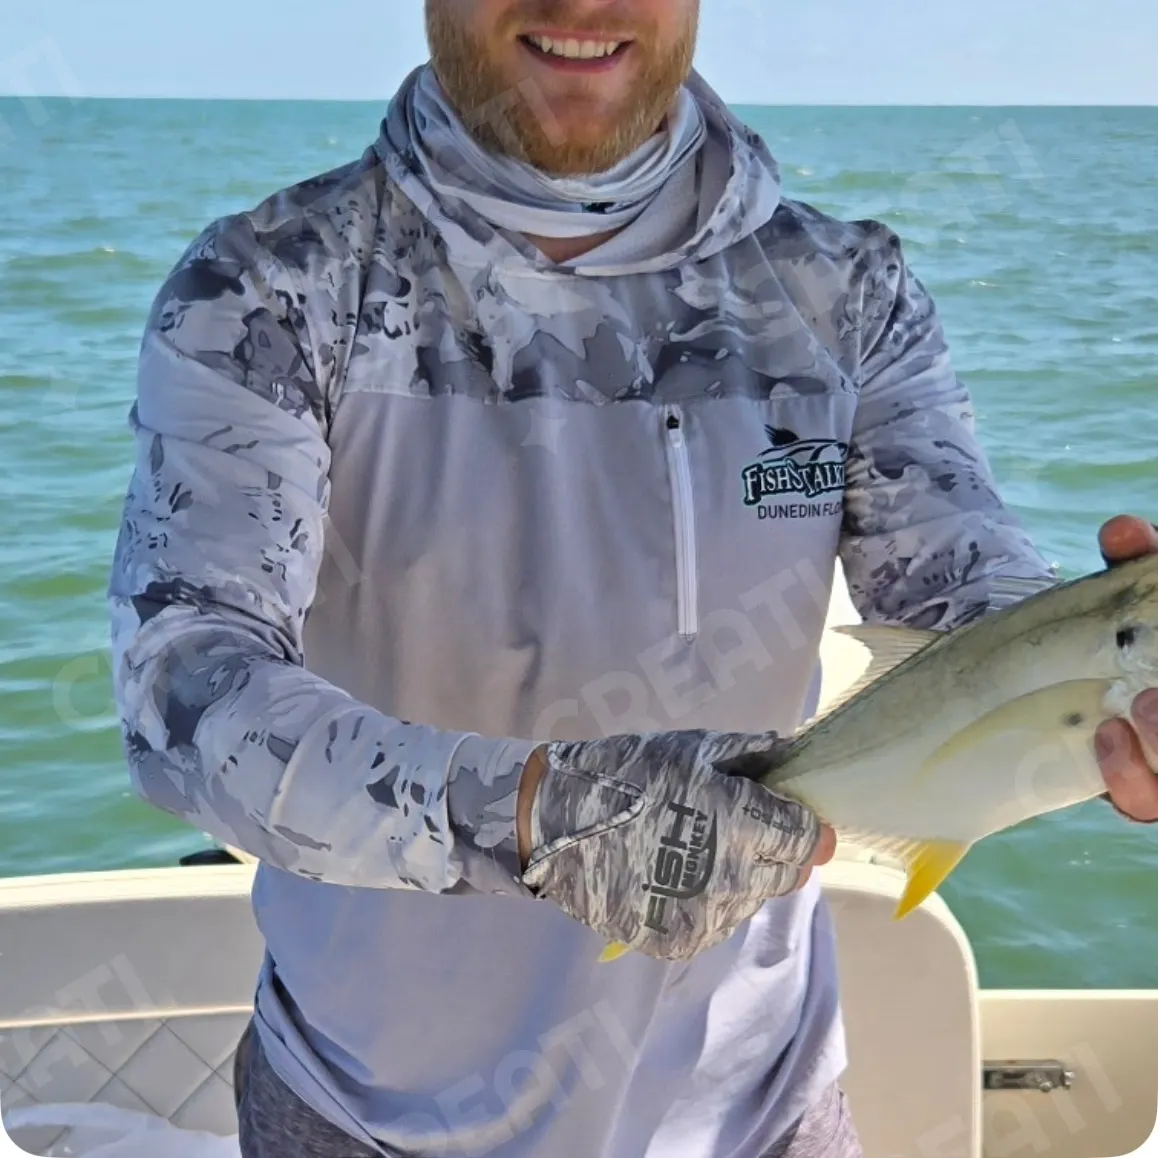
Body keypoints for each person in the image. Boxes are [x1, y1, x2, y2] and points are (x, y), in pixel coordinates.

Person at [106, 1, 1158, 1155]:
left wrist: (1105, 659)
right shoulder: (268, 291)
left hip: (766, 1117)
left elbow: (968, 592)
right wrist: (541, 812)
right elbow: (187, 693)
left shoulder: (845, 293)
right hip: (361, 1117)